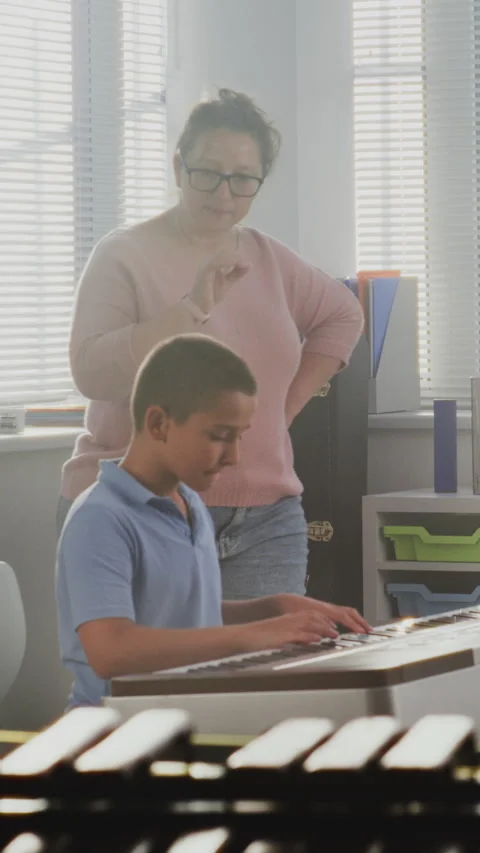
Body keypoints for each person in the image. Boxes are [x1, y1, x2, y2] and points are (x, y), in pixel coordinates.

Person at [59, 88, 364, 599]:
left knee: (266, 675)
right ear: (178, 168)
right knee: (156, 676)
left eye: (243, 179)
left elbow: (343, 314)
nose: (224, 195)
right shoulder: (123, 255)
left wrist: (279, 414)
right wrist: (190, 310)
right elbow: (91, 371)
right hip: (142, 506)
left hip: (266, 518)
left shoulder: (269, 259)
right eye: (208, 173)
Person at [56, 335, 370, 708]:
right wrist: (255, 634)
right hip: (116, 729)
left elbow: (183, 618)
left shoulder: (188, 501)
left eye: (239, 437)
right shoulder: (101, 518)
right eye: (220, 437)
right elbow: (111, 650)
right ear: (158, 424)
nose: (234, 457)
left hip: (185, 716)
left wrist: (274, 608)